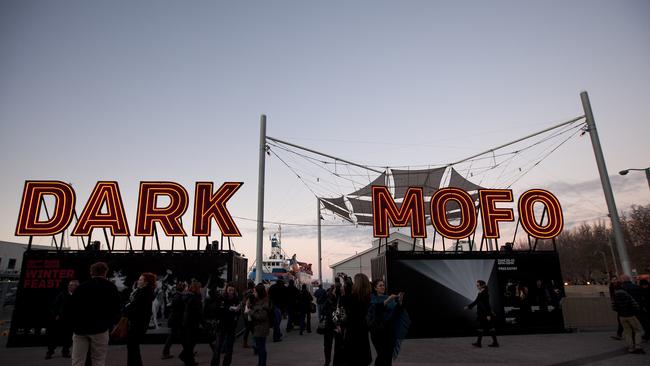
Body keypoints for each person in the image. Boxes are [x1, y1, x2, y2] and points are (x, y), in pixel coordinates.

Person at [68, 262, 121, 366]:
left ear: (91, 272)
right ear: (105, 272)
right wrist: (110, 323)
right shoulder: (110, 287)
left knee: (78, 361)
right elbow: (115, 308)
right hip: (100, 329)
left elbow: (72, 307)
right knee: (98, 360)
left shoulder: (81, 287)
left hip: (80, 329)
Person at [123, 272, 156, 366]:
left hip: (137, 324)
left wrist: (125, 308)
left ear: (146, 282)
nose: (138, 281)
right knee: (133, 348)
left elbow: (133, 307)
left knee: (132, 347)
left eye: (141, 279)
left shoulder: (144, 293)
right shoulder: (142, 291)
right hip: (138, 324)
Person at [368, 279, 402, 366]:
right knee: (382, 355)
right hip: (377, 332)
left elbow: (396, 314)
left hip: (389, 331)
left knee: (388, 356)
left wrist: (399, 302)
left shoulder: (388, 297)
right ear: (375, 288)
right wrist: (389, 299)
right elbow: (377, 310)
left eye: (383, 285)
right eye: (380, 285)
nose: (383, 287)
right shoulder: (373, 298)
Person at [342, 273, 372, 366]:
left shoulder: (352, 297)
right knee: (363, 353)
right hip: (363, 327)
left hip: (352, 328)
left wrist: (345, 290)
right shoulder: (368, 297)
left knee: (352, 356)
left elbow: (345, 307)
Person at [45, 279, 79, 359]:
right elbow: (54, 305)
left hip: (71, 320)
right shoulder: (62, 294)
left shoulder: (78, 296)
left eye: (72, 285)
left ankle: (65, 352)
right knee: (55, 337)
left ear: (76, 287)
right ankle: (49, 352)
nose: (69, 286)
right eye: (69, 285)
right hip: (61, 319)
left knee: (68, 337)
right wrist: (56, 315)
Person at [211, 283, 241, 366]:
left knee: (229, 349)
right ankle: (214, 364)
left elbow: (238, 312)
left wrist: (237, 310)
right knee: (218, 347)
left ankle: (226, 364)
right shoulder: (221, 298)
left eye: (232, 290)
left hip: (231, 326)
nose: (231, 292)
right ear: (226, 289)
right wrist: (229, 308)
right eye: (229, 290)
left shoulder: (236, 299)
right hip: (221, 325)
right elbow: (216, 310)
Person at [612, 280, 645, 354]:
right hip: (630, 315)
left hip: (622, 316)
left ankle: (630, 347)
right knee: (638, 330)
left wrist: (620, 311)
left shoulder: (615, 296)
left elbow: (613, 307)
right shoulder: (627, 295)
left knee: (627, 332)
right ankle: (638, 346)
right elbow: (635, 304)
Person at [465, 280, 499, 348]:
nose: (477, 286)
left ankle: (490, 343)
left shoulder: (484, 293)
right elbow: (476, 301)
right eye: (476, 285)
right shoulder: (481, 292)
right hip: (482, 313)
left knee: (488, 327)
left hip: (484, 313)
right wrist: (468, 306)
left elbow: (486, 305)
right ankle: (481, 343)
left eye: (478, 285)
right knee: (485, 327)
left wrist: (488, 314)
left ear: (482, 285)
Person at [247, 283, 272, 366]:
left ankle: (262, 364)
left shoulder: (264, 303)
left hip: (261, 328)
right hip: (259, 327)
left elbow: (261, 316)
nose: (254, 294)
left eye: (255, 292)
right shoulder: (259, 301)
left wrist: (250, 312)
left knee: (261, 348)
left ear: (259, 293)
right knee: (261, 347)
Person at [179, 280, 203, 366]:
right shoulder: (195, 298)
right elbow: (198, 312)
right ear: (197, 288)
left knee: (189, 343)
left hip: (187, 322)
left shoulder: (188, 296)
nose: (201, 289)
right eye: (200, 287)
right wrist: (203, 323)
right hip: (192, 323)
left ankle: (188, 360)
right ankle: (188, 360)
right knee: (191, 343)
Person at [162, 282, 187, 359]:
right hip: (177, 320)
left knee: (176, 336)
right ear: (183, 288)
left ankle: (187, 351)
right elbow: (180, 310)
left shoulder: (177, 296)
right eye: (185, 287)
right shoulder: (180, 297)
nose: (186, 289)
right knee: (179, 336)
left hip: (175, 319)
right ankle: (188, 351)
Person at [242, 280, 256, 348]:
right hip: (249, 311)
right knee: (251, 328)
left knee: (247, 328)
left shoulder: (245, 292)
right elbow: (249, 303)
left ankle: (245, 342)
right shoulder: (251, 293)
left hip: (245, 311)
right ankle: (254, 344)